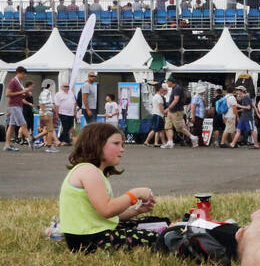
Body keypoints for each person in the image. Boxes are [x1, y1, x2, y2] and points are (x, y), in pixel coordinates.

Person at [58, 123, 163, 252]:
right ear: (97, 144)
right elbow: (107, 210)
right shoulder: (88, 171)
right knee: (157, 238)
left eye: (122, 144)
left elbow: (110, 216)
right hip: (87, 240)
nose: (122, 149)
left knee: (157, 222)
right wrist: (134, 194)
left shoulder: (92, 171)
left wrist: (137, 210)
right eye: (116, 143)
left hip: (95, 232)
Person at [5, 64, 33, 150]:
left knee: (12, 125)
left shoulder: (19, 82)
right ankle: (32, 142)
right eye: (24, 74)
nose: (25, 76)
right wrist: (22, 92)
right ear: (19, 73)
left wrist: (26, 93)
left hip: (17, 105)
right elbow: (7, 94)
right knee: (23, 124)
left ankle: (7, 145)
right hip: (14, 106)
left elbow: (20, 96)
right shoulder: (13, 81)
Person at [162, 77, 195, 148]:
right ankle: (170, 142)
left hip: (176, 111)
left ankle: (193, 137)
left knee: (179, 128)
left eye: (167, 82)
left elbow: (176, 100)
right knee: (168, 126)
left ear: (171, 82)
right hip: (172, 111)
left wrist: (168, 108)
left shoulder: (177, 88)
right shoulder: (174, 88)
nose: (167, 83)